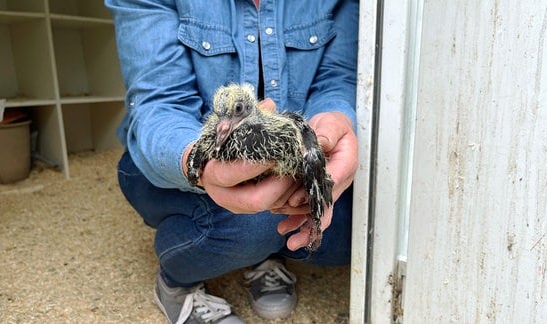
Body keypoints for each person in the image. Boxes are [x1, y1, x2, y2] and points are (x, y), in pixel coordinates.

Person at [105, 0, 359, 323]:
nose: (224, 124)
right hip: (166, 162)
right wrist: (200, 165)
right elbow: (159, 104)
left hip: (286, 161)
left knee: (358, 225)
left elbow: (337, 80)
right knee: (256, 223)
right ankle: (177, 282)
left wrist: (333, 122)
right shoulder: (220, 128)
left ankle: (263, 249)